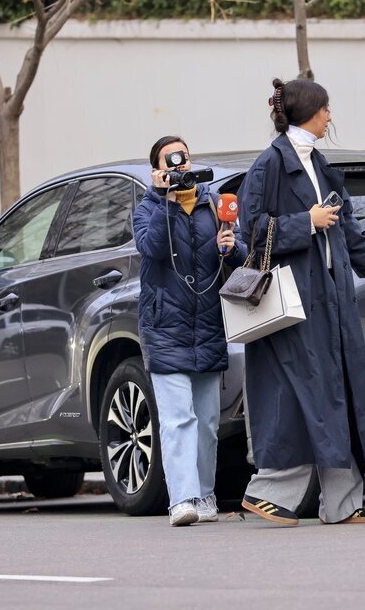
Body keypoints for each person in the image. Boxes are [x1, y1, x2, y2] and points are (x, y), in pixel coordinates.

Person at [237, 79, 365, 526]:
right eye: (326, 109)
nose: (330, 116)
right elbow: (252, 232)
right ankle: (265, 493)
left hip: (332, 300)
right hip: (294, 303)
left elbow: (350, 231)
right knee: (304, 395)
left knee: (341, 394)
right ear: (310, 112)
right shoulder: (269, 165)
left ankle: (343, 504)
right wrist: (306, 222)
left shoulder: (318, 162)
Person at [133, 135, 247, 527]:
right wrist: (166, 199)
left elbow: (244, 255)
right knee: (178, 417)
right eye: (171, 161)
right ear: (157, 171)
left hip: (209, 324)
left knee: (208, 421)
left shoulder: (213, 204)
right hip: (165, 327)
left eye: (183, 159)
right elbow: (152, 248)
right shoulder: (147, 208)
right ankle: (181, 500)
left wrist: (229, 247)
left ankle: (204, 494)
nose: (180, 166)